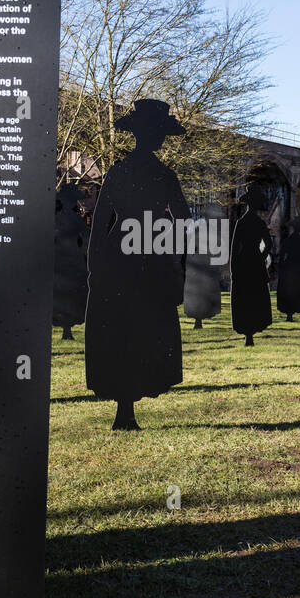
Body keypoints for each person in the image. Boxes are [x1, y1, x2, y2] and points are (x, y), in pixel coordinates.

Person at [84, 99, 189, 430]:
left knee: (123, 332)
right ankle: (125, 410)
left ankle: (124, 409)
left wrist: (95, 264)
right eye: (157, 133)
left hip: (121, 256)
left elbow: (101, 224)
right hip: (149, 254)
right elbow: (183, 221)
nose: (158, 140)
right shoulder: (163, 175)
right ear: (152, 135)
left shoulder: (120, 172)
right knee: (137, 331)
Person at [230, 186, 274, 346]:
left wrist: (234, 268)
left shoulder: (241, 223)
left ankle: (248, 334)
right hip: (255, 260)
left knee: (244, 297)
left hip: (243, 261)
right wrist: (261, 257)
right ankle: (251, 333)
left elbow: (234, 248)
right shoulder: (259, 223)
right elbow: (268, 244)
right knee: (255, 296)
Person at [53, 183, 90, 340]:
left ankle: (66, 329)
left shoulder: (59, 216)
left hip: (64, 263)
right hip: (70, 263)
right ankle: (66, 329)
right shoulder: (73, 218)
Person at [275, 221, 300, 321]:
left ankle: (289, 314)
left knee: (288, 289)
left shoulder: (287, 240)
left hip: (288, 265)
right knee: (296, 289)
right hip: (298, 265)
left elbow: (282, 255)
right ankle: (291, 313)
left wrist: (281, 266)